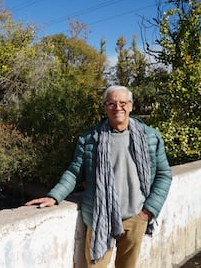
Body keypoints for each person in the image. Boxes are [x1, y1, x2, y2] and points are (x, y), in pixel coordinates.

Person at [25, 85, 172, 268]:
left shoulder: (150, 137)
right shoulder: (89, 139)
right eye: (111, 103)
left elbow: (164, 174)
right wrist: (54, 196)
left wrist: (148, 210)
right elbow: (75, 172)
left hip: (136, 217)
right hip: (100, 217)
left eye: (123, 103)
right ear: (105, 107)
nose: (118, 107)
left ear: (131, 106)